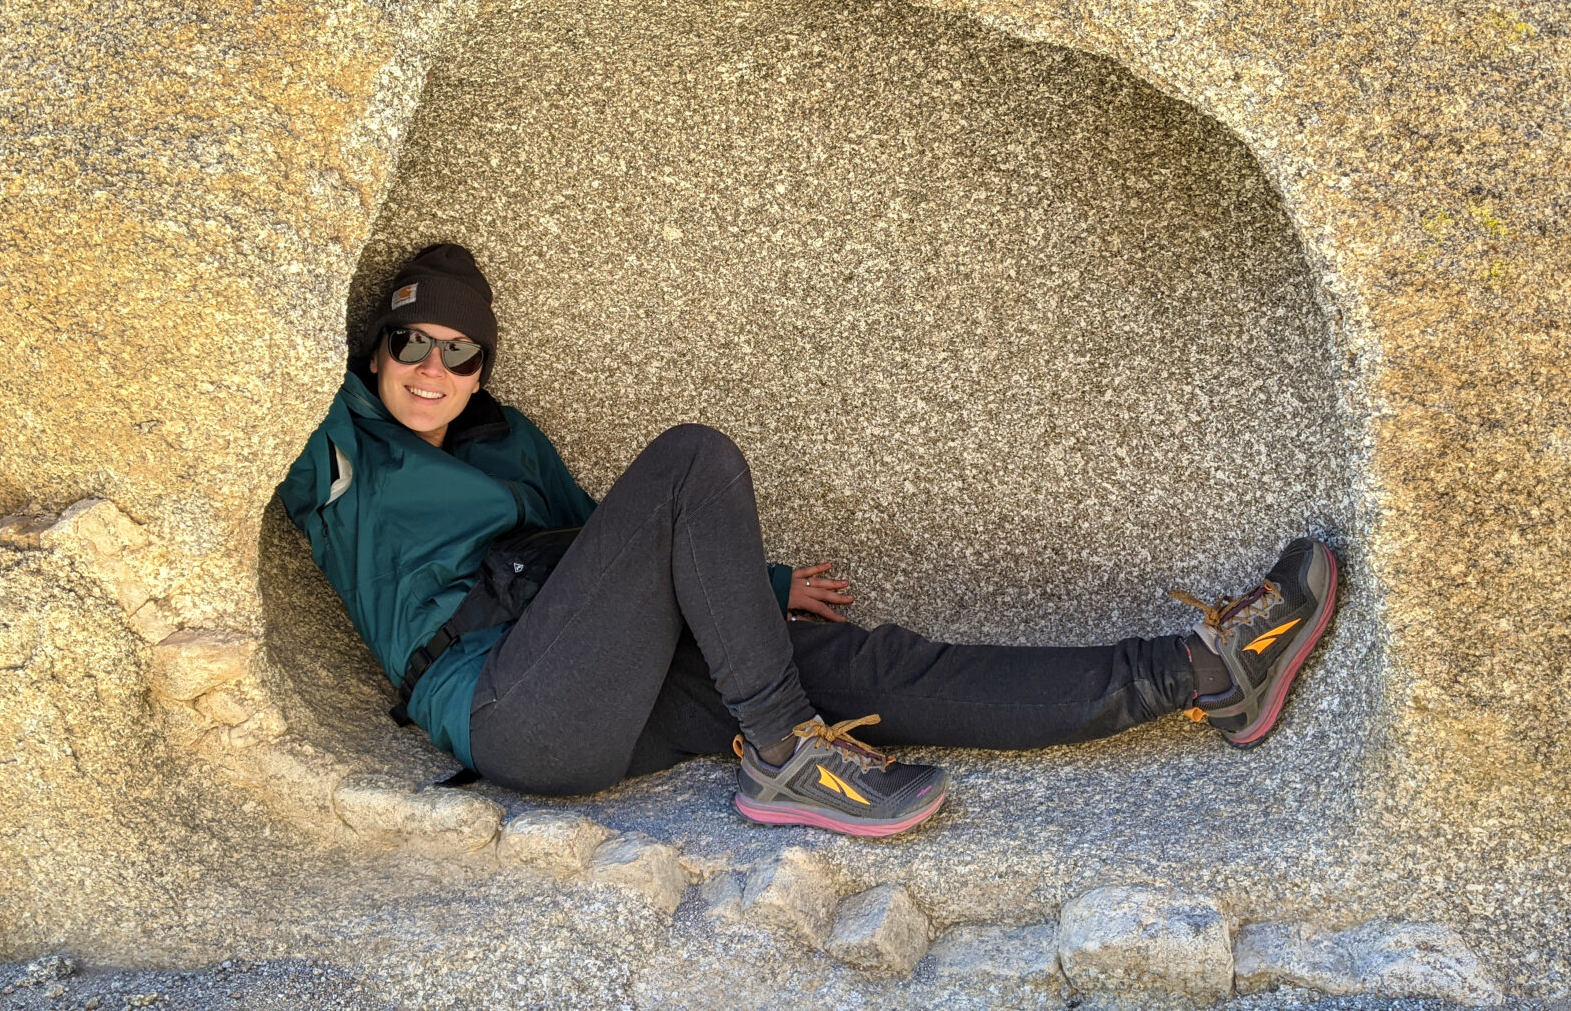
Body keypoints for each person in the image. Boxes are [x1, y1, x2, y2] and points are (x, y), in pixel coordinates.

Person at [280, 244, 1339, 838]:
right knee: (694, 456)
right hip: (507, 712)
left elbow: (609, 548)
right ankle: (786, 753)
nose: (431, 369)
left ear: (482, 368)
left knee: (864, 666)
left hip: (599, 678)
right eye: (408, 344)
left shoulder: (510, 442)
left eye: (459, 353)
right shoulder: (339, 453)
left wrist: (763, 585)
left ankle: (1203, 675)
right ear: (375, 350)